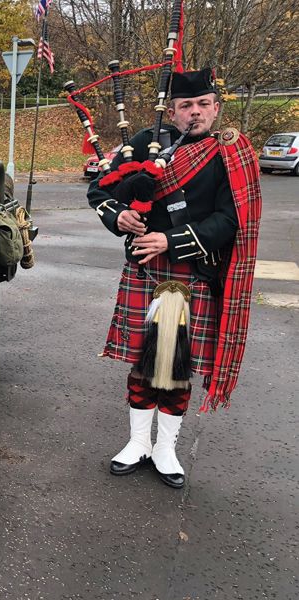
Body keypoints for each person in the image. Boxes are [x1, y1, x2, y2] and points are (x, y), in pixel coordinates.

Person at [86, 68, 262, 488]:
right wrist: (120, 216)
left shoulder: (228, 154)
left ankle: (165, 449)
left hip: (193, 273)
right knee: (143, 364)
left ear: (216, 108)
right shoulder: (145, 140)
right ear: (173, 110)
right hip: (146, 272)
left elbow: (230, 220)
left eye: (203, 105)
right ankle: (137, 443)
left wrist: (171, 239)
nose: (195, 113)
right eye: (186, 106)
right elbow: (99, 190)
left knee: (176, 368)